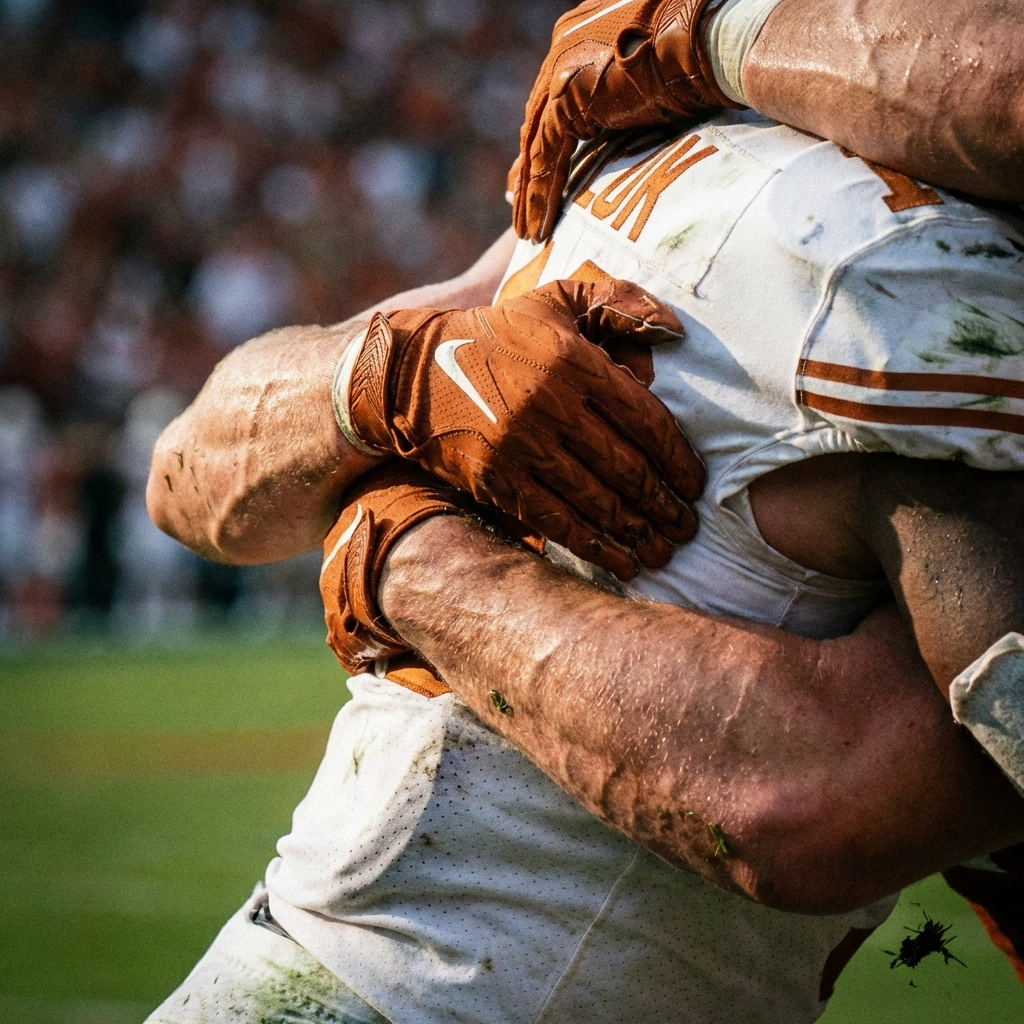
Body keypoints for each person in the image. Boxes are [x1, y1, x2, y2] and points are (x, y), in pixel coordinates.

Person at [146, 107, 1024, 1022]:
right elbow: (183, 479)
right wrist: (392, 377)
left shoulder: (931, 290)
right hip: (306, 957)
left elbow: (803, 809)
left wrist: (408, 553)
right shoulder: (655, 149)